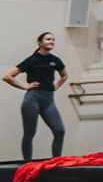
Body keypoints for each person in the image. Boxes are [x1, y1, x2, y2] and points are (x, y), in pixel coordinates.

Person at [3, 32, 68, 161]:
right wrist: (24, 86)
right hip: (32, 99)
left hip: (48, 100)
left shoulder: (55, 60)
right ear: (40, 43)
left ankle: (56, 161)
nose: (51, 41)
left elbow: (64, 75)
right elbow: (7, 76)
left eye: (53, 40)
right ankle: (27, 163)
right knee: (29, 133)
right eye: (48, 39)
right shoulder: (32, 60)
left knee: (59, 130)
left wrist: (55, 87)